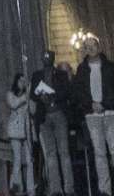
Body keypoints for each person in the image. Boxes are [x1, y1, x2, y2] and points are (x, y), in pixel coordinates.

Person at [73, 36, 114, 196]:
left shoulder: (110, 67)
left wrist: (104, 104)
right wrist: (91, 104)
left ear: (99, 47)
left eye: (93, 45)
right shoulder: (81, 69)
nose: (90, 48)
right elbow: (79, 92)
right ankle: (105, 190)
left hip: (110, 112)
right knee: (99, 153)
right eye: (87, 46)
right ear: (85, 49)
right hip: (92, 116)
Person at [29, 51, 74, 196]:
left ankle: (69, 188)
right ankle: (56, 189)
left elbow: (66, 91)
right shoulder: (37, 75)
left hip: (58, 113)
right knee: (50, 153)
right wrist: (39, 95)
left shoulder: (60, 74)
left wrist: (51, 95)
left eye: (49, 58)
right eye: (44, 58)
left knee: (64, 152)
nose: (46, 60)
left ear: (53, 59)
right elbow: (32, 95)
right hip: (44, 116)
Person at [6, 74, 33, 196]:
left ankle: (30, 187)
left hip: (26, 130)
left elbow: (32, 110)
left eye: (24, 81)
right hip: (15, 130)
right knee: (17, 159)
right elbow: (14, 104)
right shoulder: (10, 94)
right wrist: (25, 96)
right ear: (16, 82)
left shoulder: (27, 96)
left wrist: (30, 97)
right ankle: (16, 187)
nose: (22, 83)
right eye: (20, 81)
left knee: (29, 160)